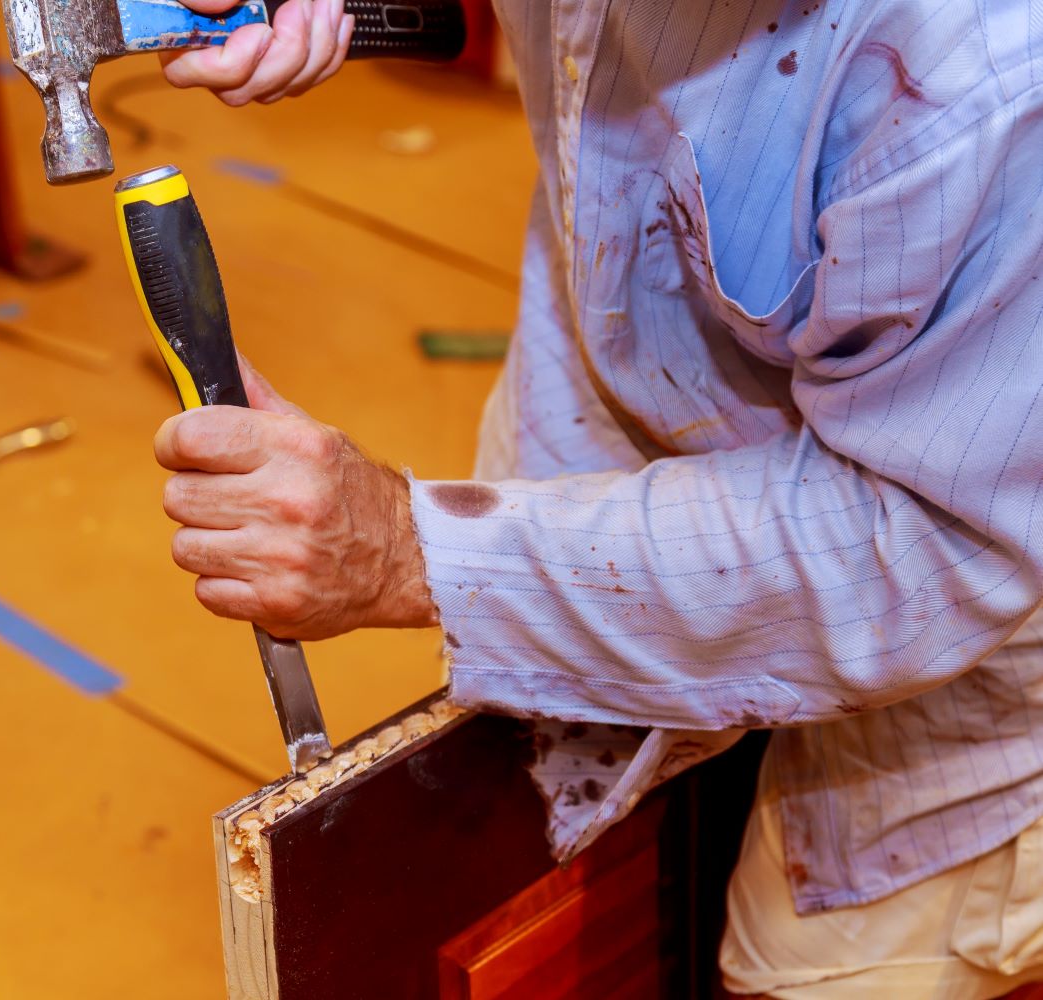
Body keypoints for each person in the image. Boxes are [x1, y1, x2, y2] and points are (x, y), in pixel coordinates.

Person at [150, 0, 1043, 995]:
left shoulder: (995, 72)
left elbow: (916, 551)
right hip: (627, 404)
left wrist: (411, 553)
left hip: (961, 582)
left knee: (798, 971)